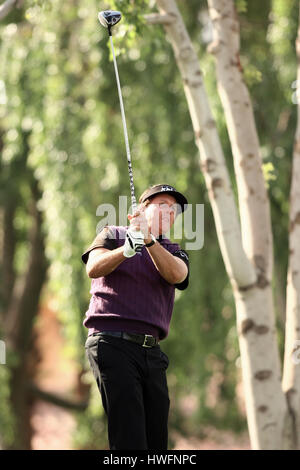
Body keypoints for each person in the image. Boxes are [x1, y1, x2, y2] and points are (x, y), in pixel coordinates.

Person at [82, 184, 190, 450]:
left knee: (157, 444)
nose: (169, 212)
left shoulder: (173, 251)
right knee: (130, 441)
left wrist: (149, 241)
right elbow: (93, 268)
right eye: (162, 205)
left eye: (174, 211)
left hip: (151, 353)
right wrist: (125, 250)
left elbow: (178, 275)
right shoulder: (112, 234)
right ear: (141, 209)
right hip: (111, 343)